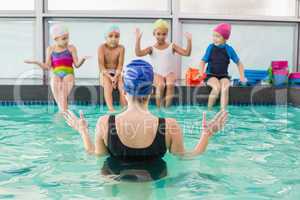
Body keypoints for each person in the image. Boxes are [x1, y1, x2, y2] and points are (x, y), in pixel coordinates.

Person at [64, 59, 227, 164]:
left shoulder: (104, 123)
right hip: (154, 187)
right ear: (151, 92)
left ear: (124, 92)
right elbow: (187, 157)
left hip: (114, 188)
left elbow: (96, 155)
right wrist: (207, 134)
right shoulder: (170, 126)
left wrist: (83, 131)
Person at [25, 24, 88, 112]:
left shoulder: (71, 48)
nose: (67, 41)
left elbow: (76, 65)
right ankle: (64, 113)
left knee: (63, 95)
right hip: (56, 74)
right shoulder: (50, 49)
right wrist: (36, 62)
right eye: (64, 38)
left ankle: (62, 113)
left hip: (68, 74)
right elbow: (47, 66)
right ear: (56, 39)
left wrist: (83, 59)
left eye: (67, 38)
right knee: (59, 96)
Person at [135, 19, 192, 108]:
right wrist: (138, 40)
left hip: (169, 73)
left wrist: (189, 41)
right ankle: (159, 110)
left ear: (167, 34)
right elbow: (138, 53)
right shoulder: (152, 48)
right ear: (154, 33)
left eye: (164, 34)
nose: (161, 36)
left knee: (170, 84)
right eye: (158, 34)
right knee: (161, 85)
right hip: (157, 73)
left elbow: (187, 53)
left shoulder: (171, 46)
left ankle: (167, 109)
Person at [199, 23, 246, 110]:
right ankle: (209, 110)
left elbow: (239, 63)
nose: (214, 39)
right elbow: (203, 61)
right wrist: (200, 74)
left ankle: (223, 112)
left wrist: (242, 77)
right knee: (216, 88)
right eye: (214, 36)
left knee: (225, 88)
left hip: (223, 76)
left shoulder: (229, 49)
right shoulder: (210, 47)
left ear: (225, 38)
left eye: (218, 36)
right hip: (211, 75)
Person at [98, 25, 127, 112]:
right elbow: (101, 66)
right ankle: (111, 109)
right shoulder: (102, 48)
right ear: (106, 37)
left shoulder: (121, 48)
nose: (114, 39)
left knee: (122, 87)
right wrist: (111, 77)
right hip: (105, 72)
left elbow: (120, 65)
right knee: (108, 85)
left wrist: (116, 76)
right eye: (110, 36)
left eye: (116, 36)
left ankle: (124, 108)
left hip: (117, 72)